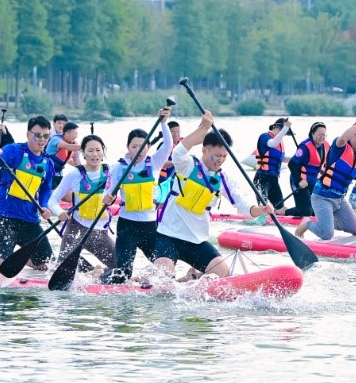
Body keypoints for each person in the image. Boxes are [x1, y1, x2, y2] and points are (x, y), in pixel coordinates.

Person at [154, 110, 273, 279]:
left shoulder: (223, 179)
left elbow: (243, 206)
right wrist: (203, 128)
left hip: (197, 241)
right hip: (168, 236)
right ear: (204, 150)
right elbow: (178, 152)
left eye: (224, 156)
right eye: (217, 155)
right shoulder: (187, 165)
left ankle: (190, 278)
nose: (220, 160)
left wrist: (260, 210)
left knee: (225, 277)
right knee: (161, 281)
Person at [103, 106, 174, 284]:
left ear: (148, 147)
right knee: (123, 274)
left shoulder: (155, 163)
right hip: (127, 227)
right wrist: (107, 197)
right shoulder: (119, 168)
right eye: (134, 146)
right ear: (128, 147)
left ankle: (150, 282)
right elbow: (108, 191)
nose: (139, 150)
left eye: (142, 146)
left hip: (150, 227)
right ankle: (101, 276)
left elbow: (168, 145)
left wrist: (164, 123)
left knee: (164, 270)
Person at [0, 115, 57, 271]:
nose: (42, 139)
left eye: (46, 136)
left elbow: (46, 189)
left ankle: (25, 260)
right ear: (29, 134)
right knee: (1, 267)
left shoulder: (48, 163)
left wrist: (44, 206)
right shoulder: (13, 150)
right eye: (38, 135)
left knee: (46, 265)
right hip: (3, 215)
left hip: (29, 218)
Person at [297, 114, 356, 241]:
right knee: (327, 234)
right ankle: (307, 223)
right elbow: (343, 138)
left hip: (340, 200)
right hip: (322, 197)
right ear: (355, 134)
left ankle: (326, 222)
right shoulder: (340, 147)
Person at [48, 134, 116, 274]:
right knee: (62, 271)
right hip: (76, 230)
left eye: (98, 150)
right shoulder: (74, 174)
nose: (94, 154)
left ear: (103, 152)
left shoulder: (113, 172)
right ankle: (89, 270)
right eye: (90, 151)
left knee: (121, 268)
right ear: (83, 153)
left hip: (99, 233)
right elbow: (52, 200)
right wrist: (60, 212)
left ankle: (96, 273)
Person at [252, 118, 291, 210]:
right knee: (263, 207)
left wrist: (298, 159)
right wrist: (286, 127)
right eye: (283, 132)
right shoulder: (265, 137)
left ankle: (276, 216)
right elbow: (272, 143)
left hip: (274, 180)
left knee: (280, 208)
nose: (283, 135)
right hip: (261, 179)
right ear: (276, 127)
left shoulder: (280, 142)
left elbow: (282, 159)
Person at [47, 120, 81, 186]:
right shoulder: (56, 139)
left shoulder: (75, 145)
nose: (76, 136)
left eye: (77, 134)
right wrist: (87, 146)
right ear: (66, 133)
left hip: (59, 174)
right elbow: (67, 146)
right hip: (47, 173)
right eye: (74, 134)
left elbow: (77, 163)